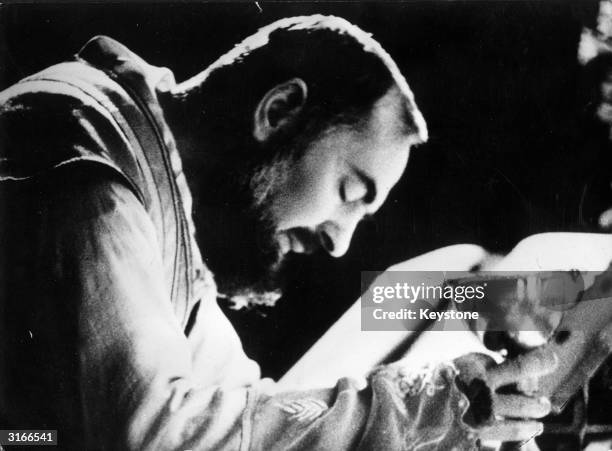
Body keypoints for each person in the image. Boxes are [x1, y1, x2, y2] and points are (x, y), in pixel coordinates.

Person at [0, 15, 555, 450]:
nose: (340, 243)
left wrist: (447, 413)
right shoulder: (92, 178)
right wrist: (428, 407)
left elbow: (241, 411)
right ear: (281, 110)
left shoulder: (161, 207)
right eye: (349, 193)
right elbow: (158, 436)